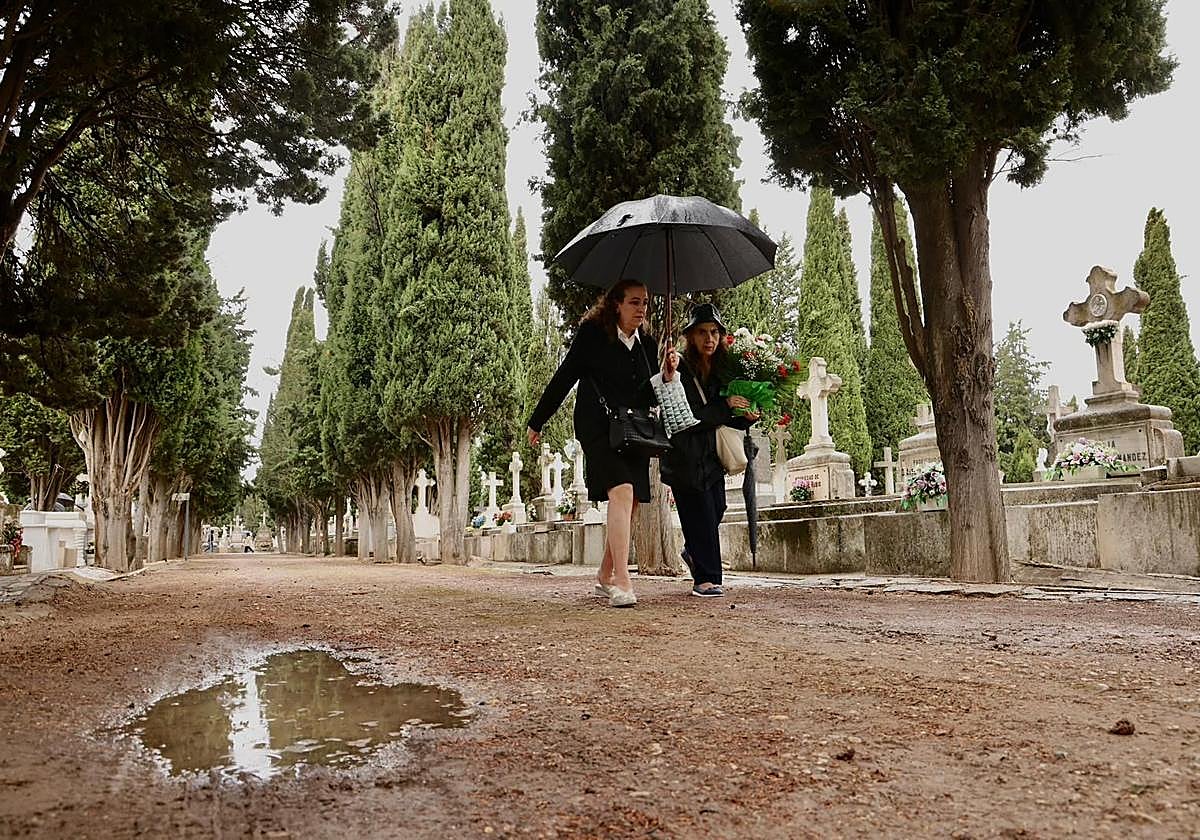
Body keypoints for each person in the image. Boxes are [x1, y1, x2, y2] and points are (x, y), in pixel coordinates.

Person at [527, 279, 663, 608]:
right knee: (622, 491)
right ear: (616, 304)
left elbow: (651, 393)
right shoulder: (592, 334)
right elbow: (565, 376)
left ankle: (604, 574)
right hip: (597, 426)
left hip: (634, 431)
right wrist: (538, 420)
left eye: (645, 302)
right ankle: (622, 582)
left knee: (631, 502)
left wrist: (668, 374)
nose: (641, 309)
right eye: (634, 302)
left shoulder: (647, 344)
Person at [660, 303, 758, 597]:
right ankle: (706, 578)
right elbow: (690, 416)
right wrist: (726, 406)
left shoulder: (721, 370)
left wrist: (746, 415)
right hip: (685, 456)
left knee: (717, 507)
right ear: (690, 336)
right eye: (702, 332)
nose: (709, 338)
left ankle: (693, 553)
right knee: (699, 514)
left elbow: (724, 418)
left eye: (714, 332)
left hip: (711, 456)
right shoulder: (680, 369)